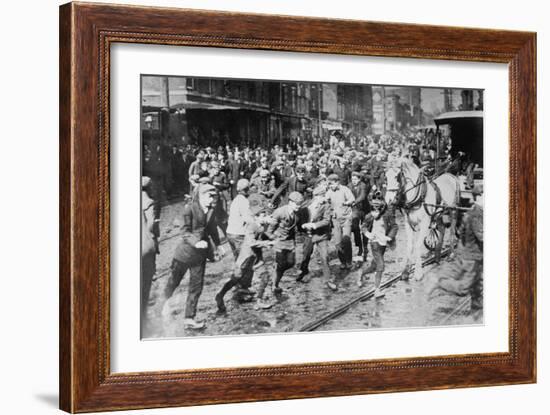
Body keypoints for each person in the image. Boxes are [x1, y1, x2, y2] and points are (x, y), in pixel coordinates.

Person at [163, 183, 221, 329]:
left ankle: (189, 318)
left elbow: (212, 229)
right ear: (200, 195)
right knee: (173, 283)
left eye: (214, 196)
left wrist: (218, 245)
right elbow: (185, 232)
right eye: (210, 196)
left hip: (199, 257)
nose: (212, 199)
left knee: (196, 287)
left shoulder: (211, 210)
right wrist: (196, 243)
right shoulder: (189, 209)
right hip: (184, 254)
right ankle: (160, 306)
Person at [426, 185, 484, 312]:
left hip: (473, 255)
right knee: (464, 288)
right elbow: (482, 236)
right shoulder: (476, 214)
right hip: (472, 257)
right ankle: (438, 282)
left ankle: (476, 314)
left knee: (478, 287)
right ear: (479, 197)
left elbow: (462, 232)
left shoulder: (475, 211)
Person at [214, 204, 273, 313]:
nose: (265, 217)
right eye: (263, 215)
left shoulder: (261, 226)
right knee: (235, 278)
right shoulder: (251, 226)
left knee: (265, 276)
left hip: (255, 258)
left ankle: (259, 301)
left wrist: (272, 238)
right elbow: (251, 242)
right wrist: (265, 243)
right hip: (246, 258)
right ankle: (220, 294)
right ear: (256, 217)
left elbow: (263, 235)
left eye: (266, 215)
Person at [358, 192, 398, 298]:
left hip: (383, 243)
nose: (375, 212)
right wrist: (368, 234)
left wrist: (389, 237)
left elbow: (394, 226)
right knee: (381, 265)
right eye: (373, 209)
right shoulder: (369, 216)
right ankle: (377, 290)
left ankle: (362, 274)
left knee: (374, 266)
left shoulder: (387, 215)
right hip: (374, 242)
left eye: (377, 209)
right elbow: (363, 226)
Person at [264, 191, 304, 295]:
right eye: (297, 204)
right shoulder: (279, 212)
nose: (299, 206)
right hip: (280, 242)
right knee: (280, 265)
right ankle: (274, 285)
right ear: (290, 202)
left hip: (290, 242)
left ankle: (276, 273)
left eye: (300, 204)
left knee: (291, 263)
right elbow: (268, 231)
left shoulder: (297, 213)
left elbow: (296, 227)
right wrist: (274, 239)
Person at [298, 185, 337, 290]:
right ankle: (303, 272)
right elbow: (300, 214)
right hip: (308, 234)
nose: (322, 199)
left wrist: (314, 225)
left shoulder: (326, 205)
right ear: (315, 196)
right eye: (320, 196)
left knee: (324, 257)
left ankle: (327, 280)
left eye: (323, 196)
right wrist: (302, 225)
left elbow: (326, 220)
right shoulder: (307, 203)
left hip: (321, 234)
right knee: (306, 255)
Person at [326, 174, 355, 270]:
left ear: (337, 182)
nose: (331, 186)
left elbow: (352, 199)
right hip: (336, 219)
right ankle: (342, 262)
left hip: (346, 218)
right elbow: (326, 200)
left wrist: (347, 202)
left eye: (332, 184)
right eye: (329, 185)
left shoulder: (345, 189)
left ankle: (349, 261)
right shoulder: (329, 192)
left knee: (346, 240)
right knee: (338, 242)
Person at [141, 176, 158, 335]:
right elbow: (151, 224)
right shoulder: (148, 202)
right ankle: (143, 321)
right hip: (145, 247)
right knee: (144, 287)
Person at [226, 178, 255, 260]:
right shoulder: (243, 201)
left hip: (230, 233)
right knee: (244, 261)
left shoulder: (236, 199)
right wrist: (259, 222)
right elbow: (248, 219)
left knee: (238, 260)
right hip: (238, 234)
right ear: (247, 189)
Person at [349, 171, 370, 261]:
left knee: (365, 228)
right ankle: (359, 247)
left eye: (355, 179)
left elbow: (362, 196)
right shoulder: (349, 186)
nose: (353, 181)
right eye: (352, 179)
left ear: (359, 179)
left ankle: (365, 246)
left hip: (365, 210)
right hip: (355, 210)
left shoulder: (363, 185)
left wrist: (354, 202)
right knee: (355, 227)